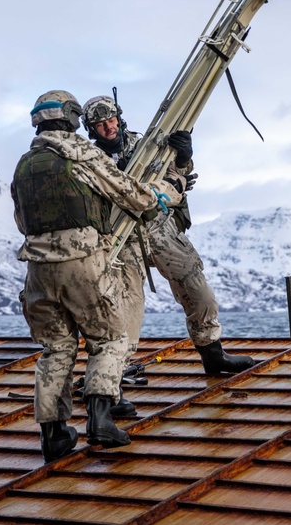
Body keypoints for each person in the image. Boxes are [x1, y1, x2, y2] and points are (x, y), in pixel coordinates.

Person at [11, 90, 185, 463]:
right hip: (83, 262)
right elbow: (131, 195)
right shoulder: (81, 153)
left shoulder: (24, 166)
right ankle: (101, 419)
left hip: (37, 270)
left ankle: (54, 435)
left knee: (56, 348)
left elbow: (21, 221)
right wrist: (168, 191)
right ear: (72, 119)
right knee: (110, 337)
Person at [82, 94, 256, 382]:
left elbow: (178, 174)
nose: (108, 128)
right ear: (91, 130)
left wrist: (185, 155)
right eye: (100, 125)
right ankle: (114, 373)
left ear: (119, 117)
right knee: (127, 305)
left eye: (111, 120)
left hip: (159, 226)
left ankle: (213, 354)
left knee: (198, 290)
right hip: (122, 235)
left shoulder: (146, 146)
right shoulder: (91, 161)